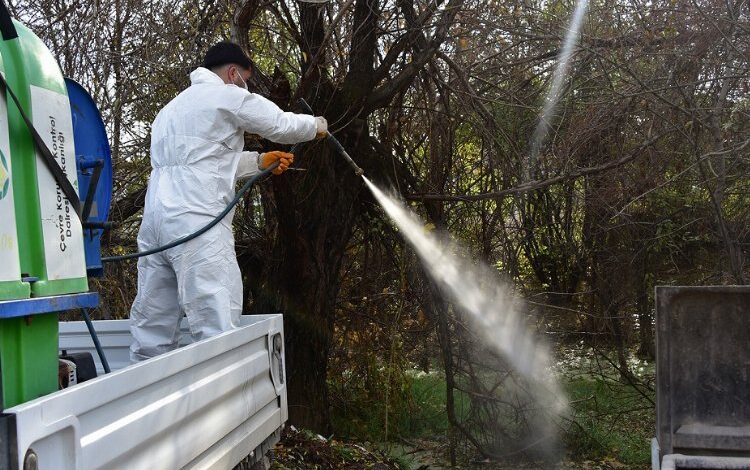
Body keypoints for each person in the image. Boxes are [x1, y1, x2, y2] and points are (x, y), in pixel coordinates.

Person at [129, 41, 327, 361]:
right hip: (198, 221)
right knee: (215, 320)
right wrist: (314, 126)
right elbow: (278, 124)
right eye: (245, 79)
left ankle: (144, 397)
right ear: (233, 73)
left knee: (153, 324)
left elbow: (204, 162)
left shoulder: (170, 110)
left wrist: (260, 161)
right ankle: (221, 403)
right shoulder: (226, 94)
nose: (246, 86)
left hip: (155, 226)